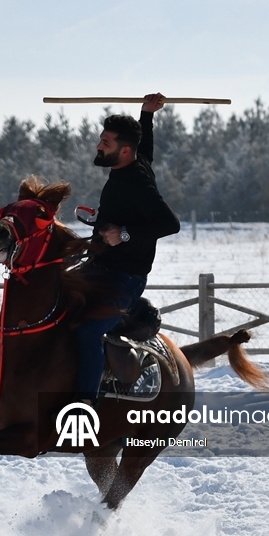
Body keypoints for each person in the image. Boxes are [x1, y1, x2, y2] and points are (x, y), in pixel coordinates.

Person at [76, 93, 180, 399]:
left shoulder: (138, 183)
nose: (98, 145)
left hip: (124, 279)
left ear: (123, 151)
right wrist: (146, 114)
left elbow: (170, 224)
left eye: (105, 142)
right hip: (99, 267)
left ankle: (84, 402)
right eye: (101, 139)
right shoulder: (133, 162)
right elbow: (144, 147)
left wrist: (124, 234)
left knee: (88, 332)